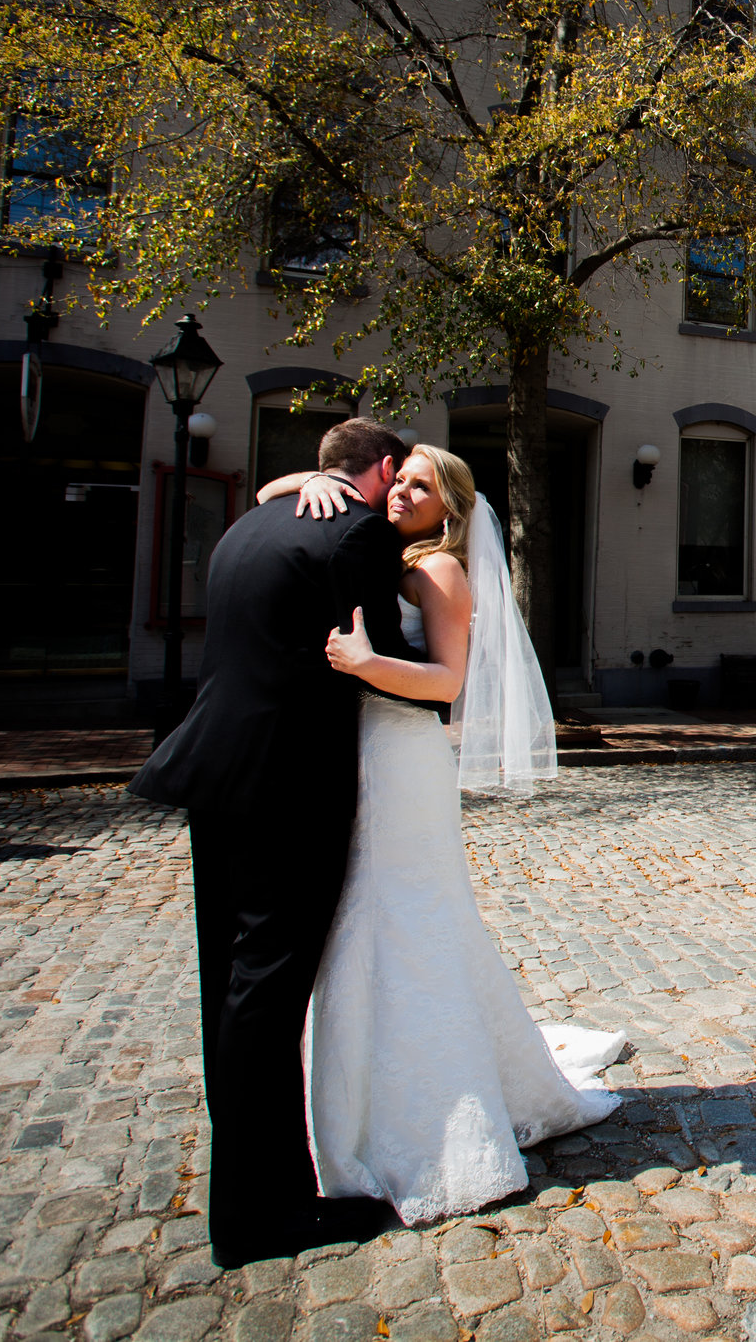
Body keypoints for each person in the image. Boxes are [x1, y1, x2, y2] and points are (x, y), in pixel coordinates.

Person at [260, 443, 621, 1224]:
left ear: (449, 510)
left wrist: (363, 663)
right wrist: (315, 478)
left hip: (405, 763)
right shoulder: (388, 550)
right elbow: (268, 489)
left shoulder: (440, 572)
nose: (401, 492)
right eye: (400, 479)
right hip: (368, 754)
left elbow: (448, 683)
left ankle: (426, 1108)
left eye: (420, 486)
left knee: (404, 918)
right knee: (374, 917)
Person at [128, 417, 420, 1268]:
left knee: (228, 979)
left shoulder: (249, 522)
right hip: (288, 785)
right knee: (268, 987)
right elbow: (383, 661)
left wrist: (285, 482)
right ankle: (263, 1216)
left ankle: (245, 1193)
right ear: (387, 467)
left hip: (210, 770)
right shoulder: (358, 530)